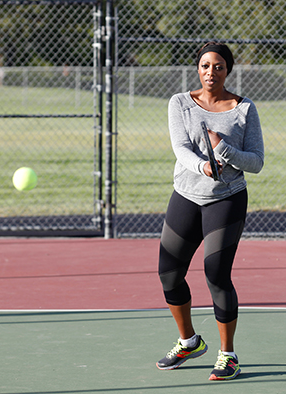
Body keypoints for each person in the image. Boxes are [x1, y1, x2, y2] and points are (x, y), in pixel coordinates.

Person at [156, 41, 264, 381]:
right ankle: (188, 341)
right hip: (186, 195)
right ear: (198, 69)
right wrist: (203, 166)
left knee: (216, 274)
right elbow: (181, 148)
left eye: (218, 66)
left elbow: (257, 161)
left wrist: (224, 149)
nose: (210, 72)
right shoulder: (180, 104)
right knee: (169, 273)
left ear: (227, 70)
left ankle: (228, 355)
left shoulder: (244, 109)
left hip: (227, 198)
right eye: (205, 66)